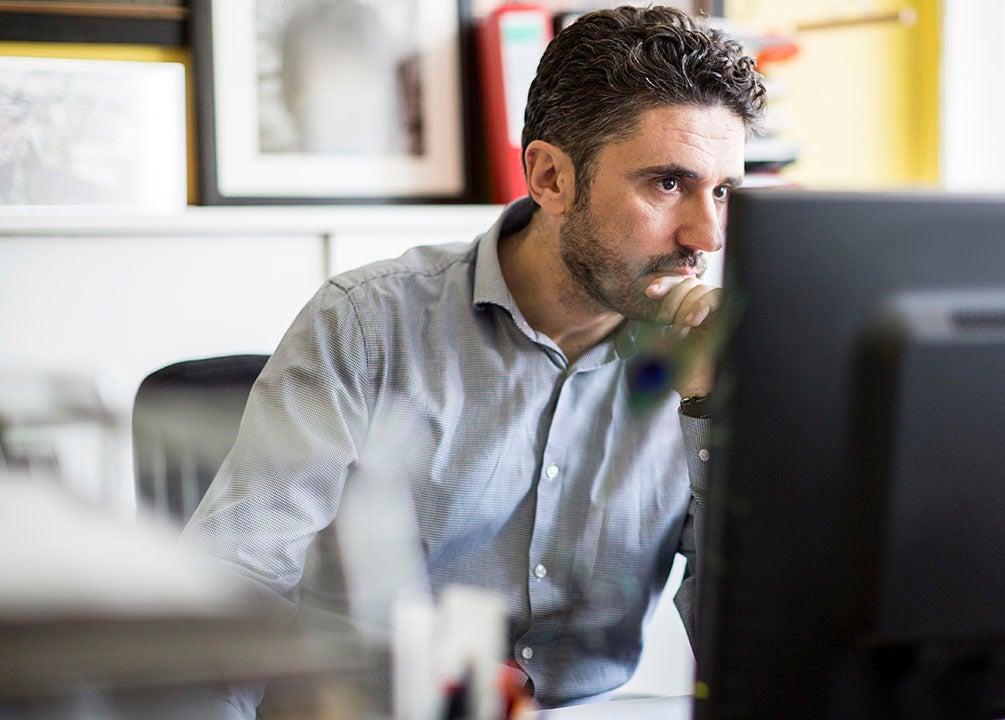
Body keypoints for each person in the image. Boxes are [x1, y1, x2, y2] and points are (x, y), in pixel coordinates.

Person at [182, 5, 766, 715]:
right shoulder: (368, 325)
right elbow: (233, 594)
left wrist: (707, 409)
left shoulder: (706, 360)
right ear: (550, 177)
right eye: (667, 184)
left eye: (725, 191)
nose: (706, 234)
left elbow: (755, 651)